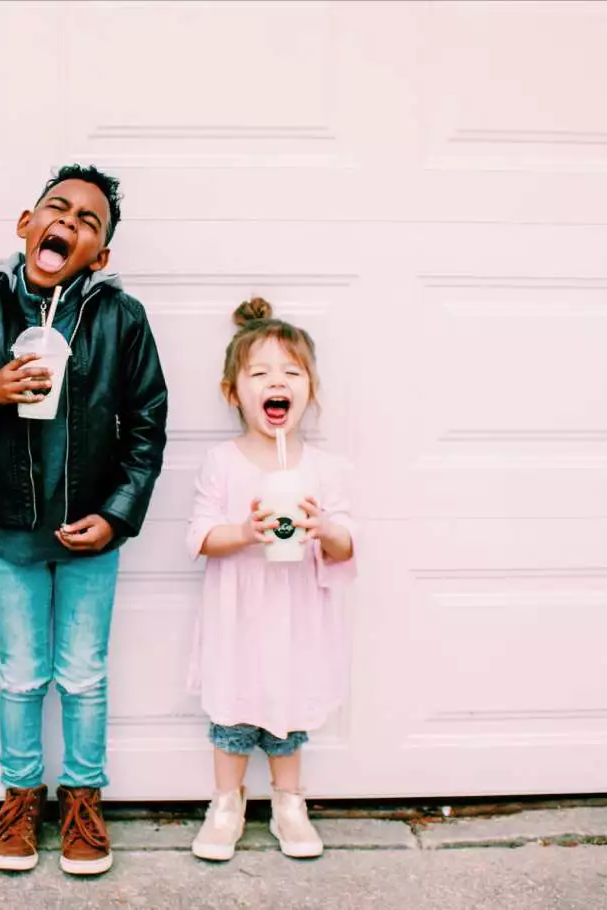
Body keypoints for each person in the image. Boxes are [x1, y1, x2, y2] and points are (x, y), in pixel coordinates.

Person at [0, 165, 168, 876]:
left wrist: (119, 517)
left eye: (90, 221)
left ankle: (84, 799)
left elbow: (148, 424)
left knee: (85, 674)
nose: (70, 222)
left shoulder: (122, 318)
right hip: (9, 525)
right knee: (23, 674)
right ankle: (21, 796)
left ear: (103, 254)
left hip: (93, 529)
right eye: (58, 210)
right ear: (26, 224)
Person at [186, 298, 357, 863]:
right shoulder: (222, 461)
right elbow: (201, 536)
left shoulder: (324, 468)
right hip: (237, 614)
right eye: (259, 373)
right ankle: (226, 803)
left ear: (310, 390)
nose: (276, 382)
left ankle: (289, 802)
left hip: (295, 615)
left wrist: (322, 527)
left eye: (291, 372)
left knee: (288, 711)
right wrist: (244, 531)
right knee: (232, 714)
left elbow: (348, 543)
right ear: (234, 393)